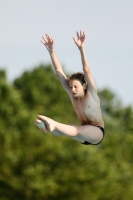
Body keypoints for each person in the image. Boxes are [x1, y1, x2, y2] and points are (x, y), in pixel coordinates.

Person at [34, 31, 104, 145]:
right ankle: (44, 127)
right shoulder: (72, 95)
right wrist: (51, 51)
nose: (72, 90)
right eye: (71, 87)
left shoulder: (91, 92)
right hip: (82, 135)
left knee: (74, 129)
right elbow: (59, 72)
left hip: (97, 132)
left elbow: (87, 70)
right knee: (66, 131)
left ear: (84, 86)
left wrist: (81, 48)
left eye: (76, 87)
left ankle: (53, 124)